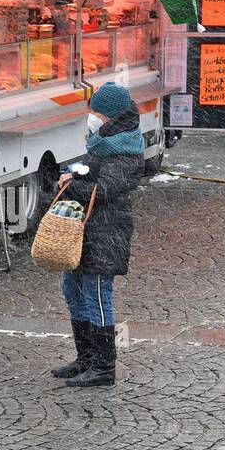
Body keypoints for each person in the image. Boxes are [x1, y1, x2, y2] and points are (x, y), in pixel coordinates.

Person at [49, 82, 144, 388]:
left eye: (97, 113)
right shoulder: (103, 143)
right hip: (86, 233)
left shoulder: (127, 151)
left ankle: (103, 368)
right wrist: (73, 172)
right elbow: (90, 172)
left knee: (97, 297)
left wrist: (69, 183)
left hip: (107, 234)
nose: (92, 117)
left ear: (110, 116)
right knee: (73, 290)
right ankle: (86, 359)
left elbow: (104, 189)